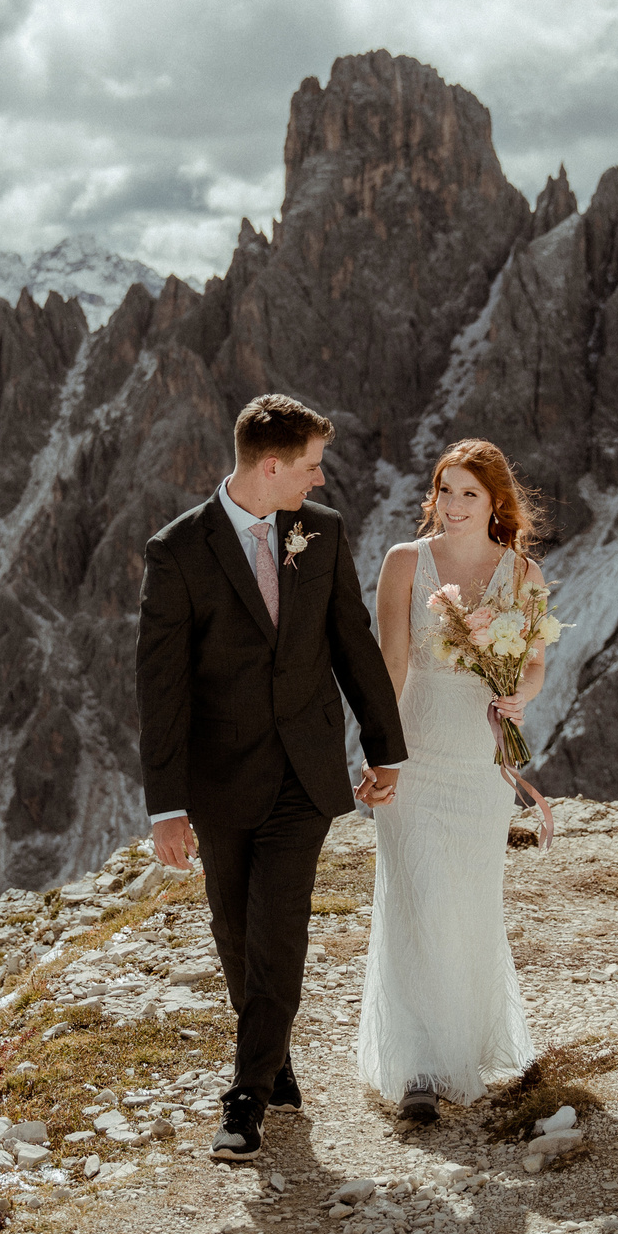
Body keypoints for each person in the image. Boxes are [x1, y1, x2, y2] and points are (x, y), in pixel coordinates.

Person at [137, 394, 408, 1162]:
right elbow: (161, 687)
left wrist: (384, 747)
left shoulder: (319, 533)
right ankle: (275, 1056)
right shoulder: (178, 550)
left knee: (280, 922)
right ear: (270, 466)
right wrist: (168, 806)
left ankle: (246, 1094)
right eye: (312, 466)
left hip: (304, 771)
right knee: (236, 930)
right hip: (221, 780)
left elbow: (350, 641)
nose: (320, 481)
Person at [357, 439, 545, 1125]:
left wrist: (520, 698)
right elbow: (393, 662)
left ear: (496, 501)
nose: (455, 504)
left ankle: (468, 1041)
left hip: (481, 757)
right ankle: (419, 1070)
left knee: (467, 897)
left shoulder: (522, 572)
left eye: (470, 492)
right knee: (418, 897)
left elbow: (532, 664)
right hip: (416, 750)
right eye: (445, 489)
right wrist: (382, 753)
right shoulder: (404, 563)